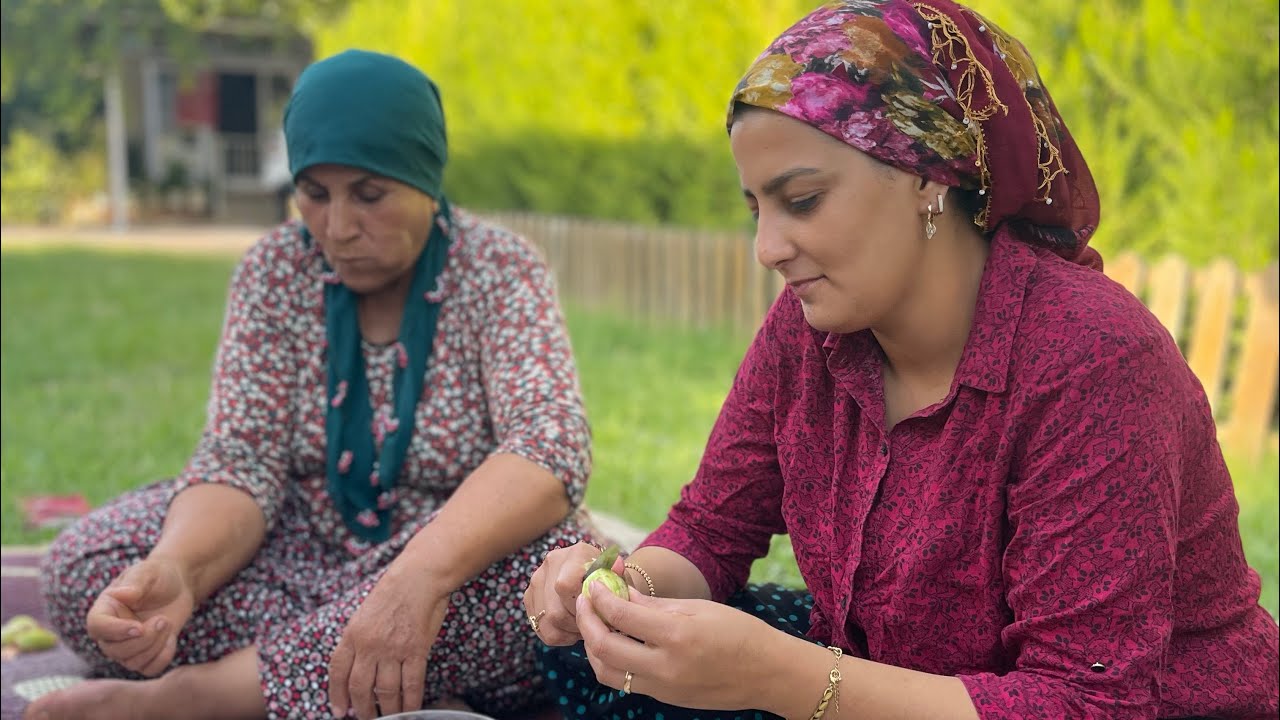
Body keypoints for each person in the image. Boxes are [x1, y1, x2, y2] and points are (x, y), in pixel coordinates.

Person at [524, 2, 1280, 719]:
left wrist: (783, 679)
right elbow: (711, 529)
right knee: (608, 657)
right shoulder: (809, 332)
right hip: (889, 681)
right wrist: (619, 588)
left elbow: (1087, 704)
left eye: (804, 200)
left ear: (926, 174)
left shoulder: (1092, 361)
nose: (769, 250)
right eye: (758, 209)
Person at [27, 50, 593, 720]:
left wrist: (416, 579)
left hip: (453, 556)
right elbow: (242, 458)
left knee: (556, 569)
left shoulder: (500, 270)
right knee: (85, 567)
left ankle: (203, 697)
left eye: (370, 195)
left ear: (426, 177)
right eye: (314, 195)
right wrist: (181, 570)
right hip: (293, 549)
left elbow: (550, 444)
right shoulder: (274, 271)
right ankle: (372, 680)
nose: (338, 228)